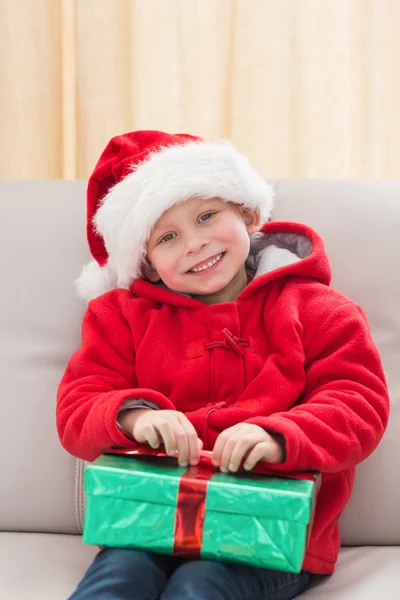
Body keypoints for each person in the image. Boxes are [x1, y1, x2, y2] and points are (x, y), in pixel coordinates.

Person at [57, 130, 390, 600]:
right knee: (116, 583)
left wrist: (279, 435)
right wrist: (136, 416)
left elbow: (359, 404)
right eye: (168, 237)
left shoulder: (318, 308)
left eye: (207, 215)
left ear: (249, 214)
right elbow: (78, 405)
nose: (194, 243)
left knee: (200, 587)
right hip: (148, 520)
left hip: (268, 530)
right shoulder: (120, 318)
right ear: (147, 264)